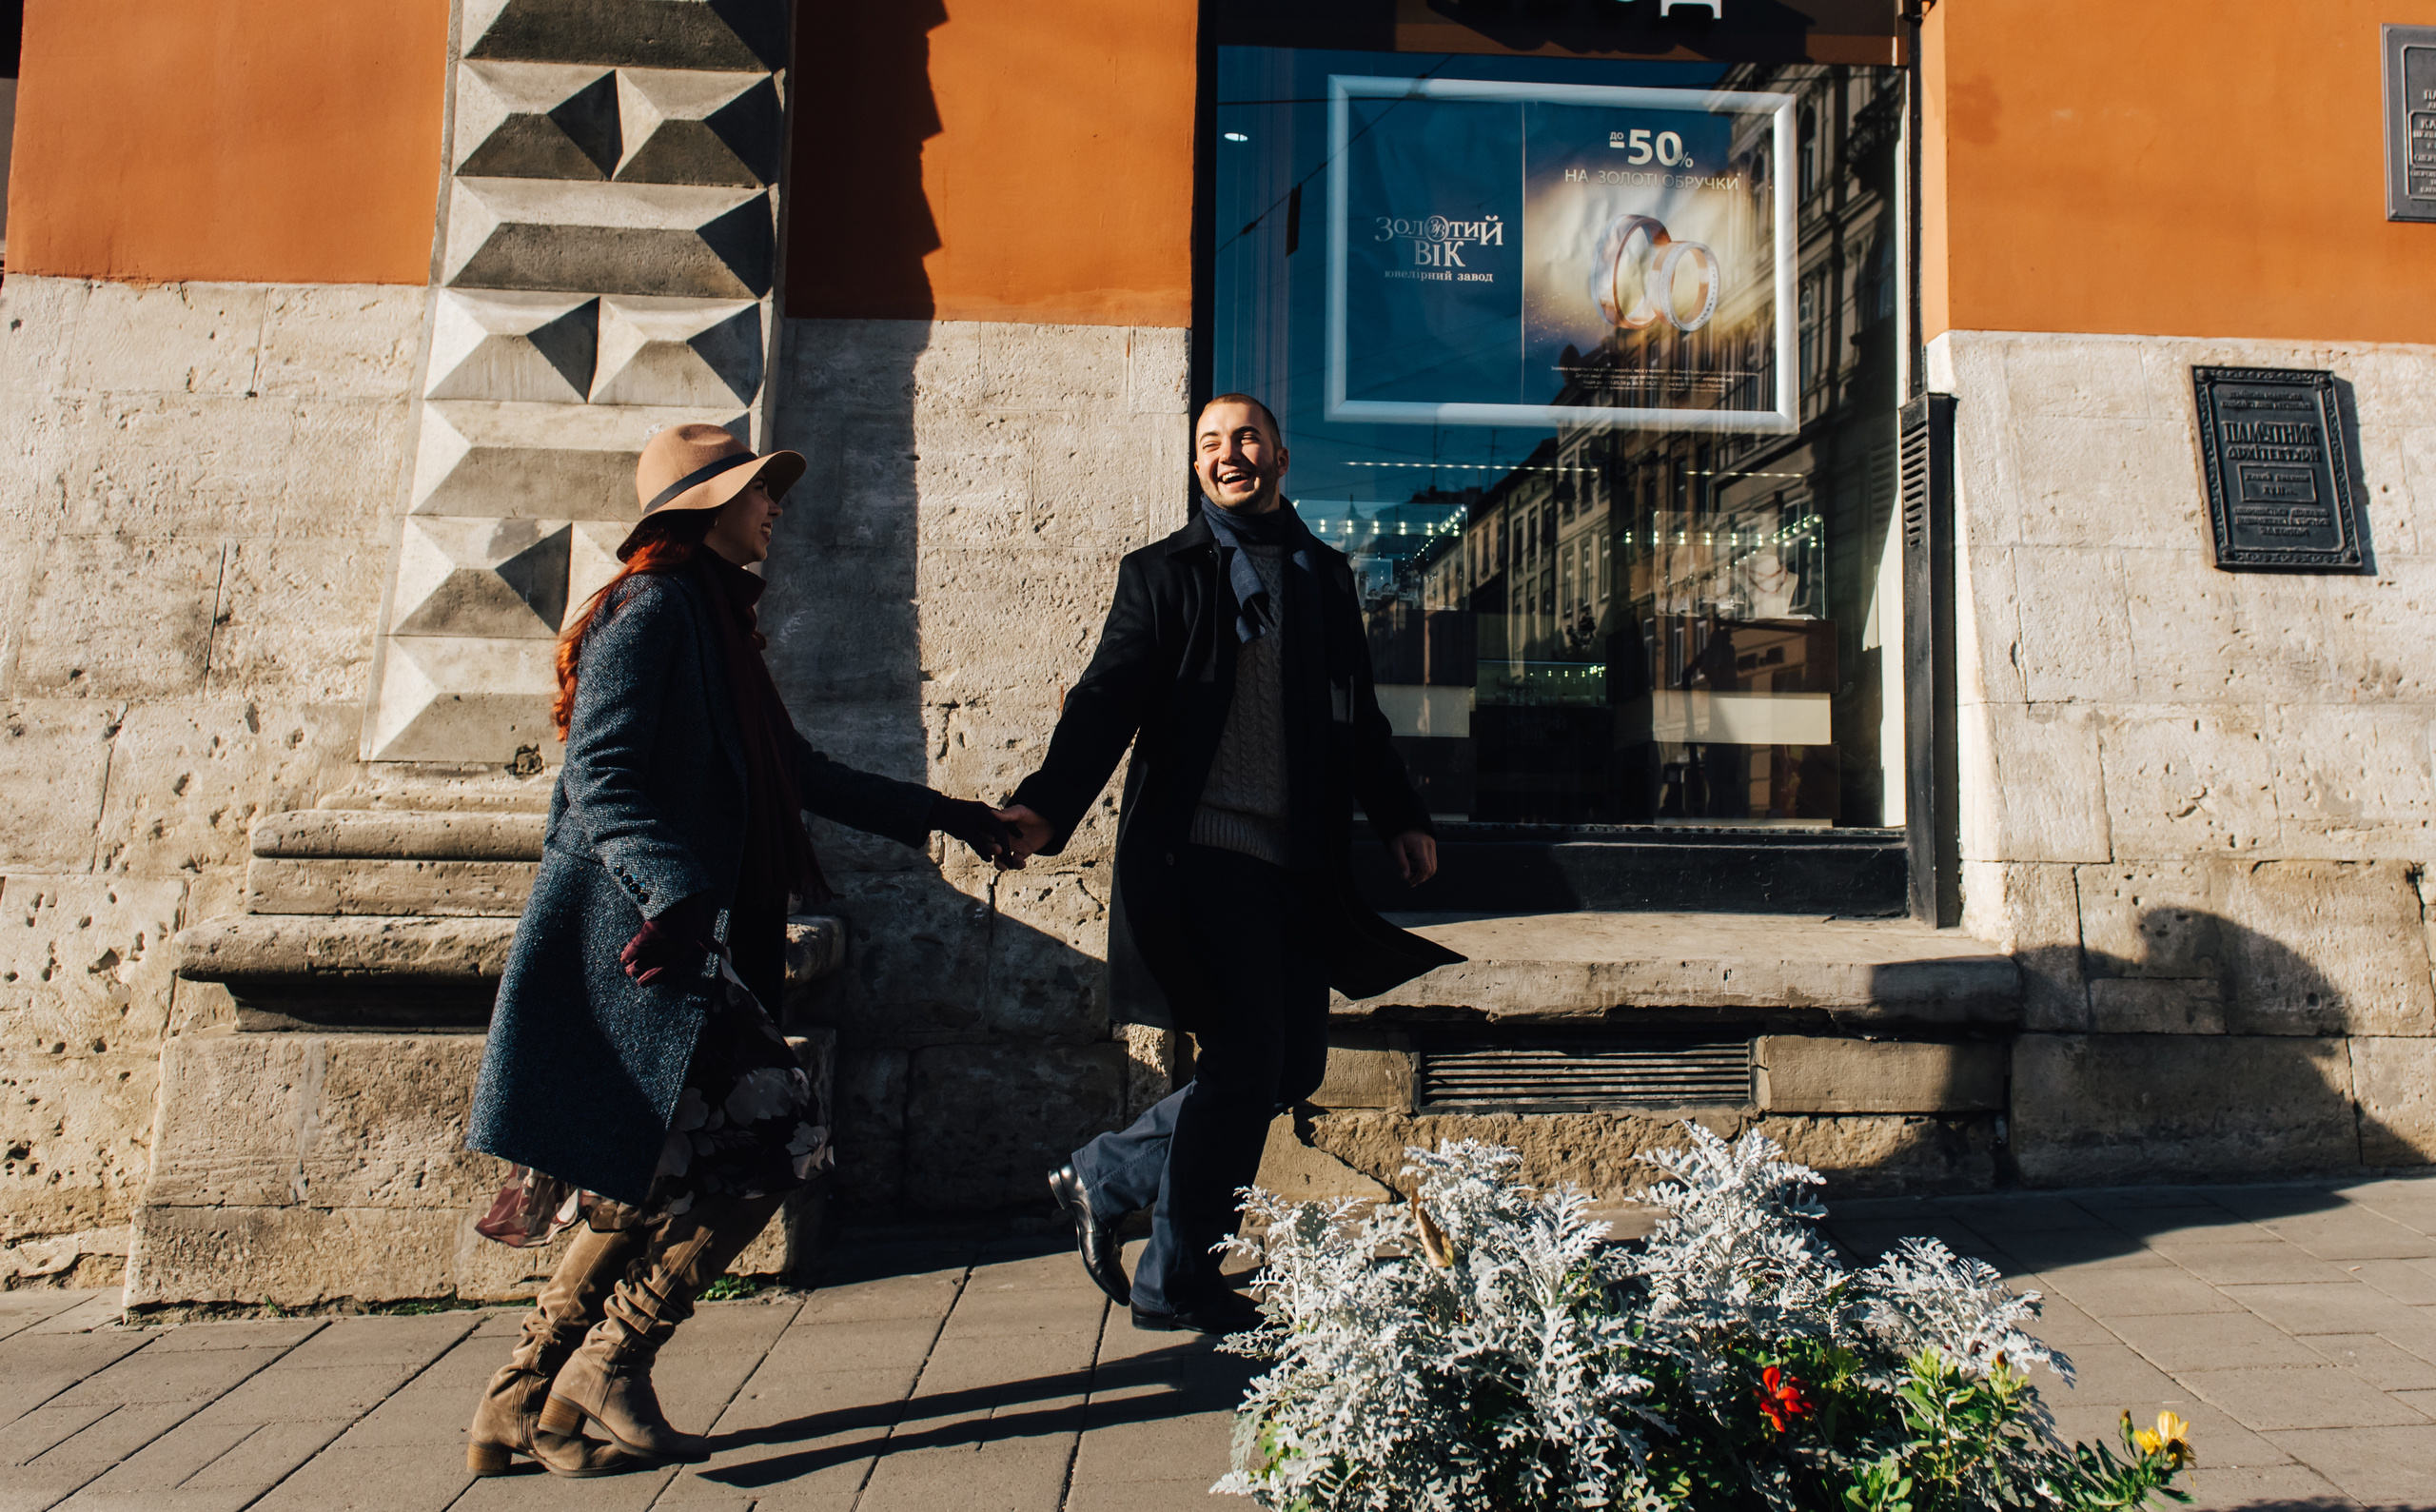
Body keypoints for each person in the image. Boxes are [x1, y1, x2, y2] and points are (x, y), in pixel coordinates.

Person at [460, 423, 1015, 1478]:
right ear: (703, 507)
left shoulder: (710, 619)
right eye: (758, 492)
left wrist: (948, 811)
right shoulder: (655, 607)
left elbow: (790, 771)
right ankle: (607, 1362)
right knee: (778, 1134)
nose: (775, 508)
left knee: (648, 1167)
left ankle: (517, 1395)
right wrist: (671, 894)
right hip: (646, 944)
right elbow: (602, 776)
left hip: (682, 937)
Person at [997, 394, 1461, 1333]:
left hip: (1300, 858)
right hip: (1206, 852)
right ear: (1196, 464)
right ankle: (1176, 1277)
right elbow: (1106, 701)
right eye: (1209, 443)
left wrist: (1401, 815)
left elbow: (1356, 715)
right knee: (1246, 1057)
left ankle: (1107, 1171)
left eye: (1244, 438)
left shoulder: (1321, 576)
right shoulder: (1164, 575)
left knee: (1286, 1065)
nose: (1227, 454)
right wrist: (1045, 805)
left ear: (1279, 456)